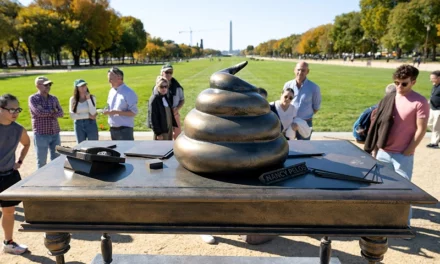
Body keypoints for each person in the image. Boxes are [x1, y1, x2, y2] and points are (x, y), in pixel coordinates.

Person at [364, 65, 429, 227]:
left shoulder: (420, 102)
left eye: (404, 84)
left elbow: (421, 129)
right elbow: (379, 123)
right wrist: (375, 148)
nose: (399, 87)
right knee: (380, 189)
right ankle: (382, 220)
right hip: (383, 151)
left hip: (402, 155)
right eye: (396, 82)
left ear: (413, 82)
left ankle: (403, 225)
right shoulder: (390, 98)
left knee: (404, 191)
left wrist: (410, 149)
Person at [0, 94, 30, 255]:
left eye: (17, 109)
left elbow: (26, 143)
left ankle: (8, 243)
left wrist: (20, 161)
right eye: (11, 109)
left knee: (9, 212)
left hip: (8, 175)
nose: (15, 112)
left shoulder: (18, 129)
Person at [29, 76, 63, 168]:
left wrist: (47, 111)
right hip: (41, 133)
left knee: (57, 159)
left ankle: (56, 179)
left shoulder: (54, 98)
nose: (48, 86)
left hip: (55, 132)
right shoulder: (33, 98)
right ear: (37, 86)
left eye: (49, 84)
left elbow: (61, 113)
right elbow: (38, 112)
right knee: (41, 161)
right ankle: (41, 181)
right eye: (45, 85)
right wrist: (53, 110)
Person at [283, 61, 321, 140]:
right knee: (288, 147)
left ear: (308, 71)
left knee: (304, 148)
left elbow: (316, 107)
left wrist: (303, 117)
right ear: (294, 70)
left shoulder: (314, 88)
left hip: (305, 123)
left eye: (303, 70)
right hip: (289, 122)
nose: (300, 72)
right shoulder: (287, 85)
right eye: (298, 70)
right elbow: (284, 103)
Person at [105, 67, 138, 140]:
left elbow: (134, 112)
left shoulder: (129, 92)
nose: (109, 81)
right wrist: (107, 110)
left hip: (125, 130)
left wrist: (116, 112)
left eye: (111, 78)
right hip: (113, 129)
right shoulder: (111, 91)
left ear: (119, 78)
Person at [69, 79, 98, 143]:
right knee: (80, 146)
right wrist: (88, 115)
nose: (83, 87)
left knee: (94, 145)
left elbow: (93, 113)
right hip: (78, 125)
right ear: (77, 88)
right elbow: (72, 116)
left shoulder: (92, 97)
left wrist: (88, 99)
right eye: (81, 86)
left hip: (91, 124)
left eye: (84, 85)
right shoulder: (73, 99)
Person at [160, 64, 184, 140]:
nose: (169, 74)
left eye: (171, 72)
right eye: (167, 72)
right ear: (162, 73)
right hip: (163, 116)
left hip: (175, 114)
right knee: (165, 137)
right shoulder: (157, 87)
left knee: (178, 136)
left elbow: (182, 100)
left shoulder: (177, 86)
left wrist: (177, 108)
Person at [427, 70, 440, 148]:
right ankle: (437, 137)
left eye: (433, 78)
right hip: (432, 108)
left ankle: (434, 143)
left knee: (436, 126)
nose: (431, 80)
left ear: (439, 78)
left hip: (439, 109)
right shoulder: (435, 85)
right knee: (429, 124)